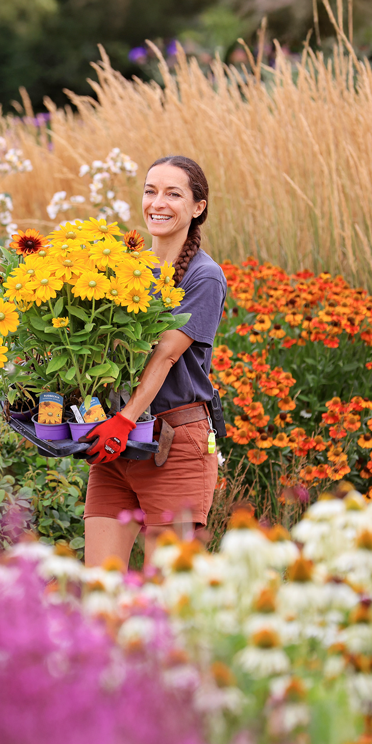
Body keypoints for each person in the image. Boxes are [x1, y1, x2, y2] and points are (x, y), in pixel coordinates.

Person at [82, 155, 227, 569]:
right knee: (101, 589)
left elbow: (164, 356)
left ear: (197, 207)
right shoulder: (128, 269)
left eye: (173, 193)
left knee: (167, 601)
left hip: (173, 447)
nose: (157, 203)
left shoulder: (204, 276)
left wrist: (124, 420)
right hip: (117, 451)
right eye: (150, 191)